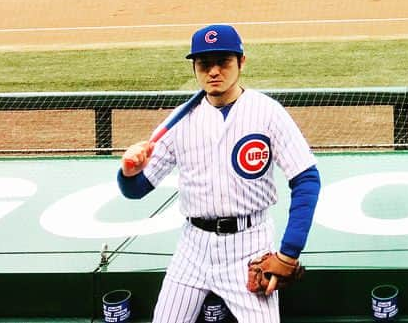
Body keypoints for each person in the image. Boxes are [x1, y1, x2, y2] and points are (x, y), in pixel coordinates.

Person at [117, 24, 320, 323]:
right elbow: (136, 190)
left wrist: (288, 253)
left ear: (241, 62)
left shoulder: (267, 112)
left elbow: (306, 180)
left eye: (223, 62)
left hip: (250, 246)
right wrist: (127, 172)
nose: (213, 71)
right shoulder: (179, 121)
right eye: (204, 64)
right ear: (195, 67)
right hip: (192, 248)